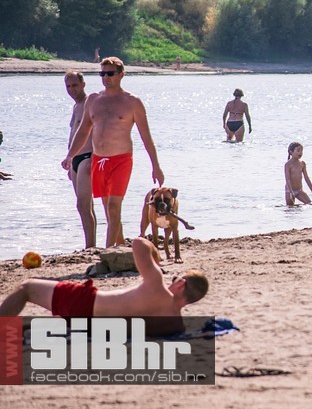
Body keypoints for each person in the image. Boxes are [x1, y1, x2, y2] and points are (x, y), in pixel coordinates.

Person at [0, 237, 208, 336]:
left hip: (85, 304)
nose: (171, 281)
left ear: (180, 284)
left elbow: (138, 243)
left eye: (175, 279)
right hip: (93, 327)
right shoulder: (177, 325)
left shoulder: (157, 285)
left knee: (27, 287)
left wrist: (156, 255)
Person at [61, 57, 165, 248]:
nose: (106, 78)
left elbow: (146, 137)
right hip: (100, 160)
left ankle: (108, 253)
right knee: (109, 211)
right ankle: (120, 245)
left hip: (121, 159)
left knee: (114, 206)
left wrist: (156, 166)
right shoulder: (93, 100)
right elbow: (83, 131)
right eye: (102, 74)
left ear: (121, 74)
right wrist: (70, 156)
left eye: (110, 74)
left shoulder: (132, 102)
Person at [64, 71, 96, 249]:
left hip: (87, 156)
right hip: (74, 159)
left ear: (83, 84)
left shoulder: (90, 102)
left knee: (83, 204)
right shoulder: (76, 106)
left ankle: (90, 246)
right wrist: (69, 160)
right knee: (85, 206)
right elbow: (73, 134)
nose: (71, 90)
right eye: (68, 86)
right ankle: (90, 244)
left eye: (75, 85)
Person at [284, 142, 312, 206]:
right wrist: (291, 192)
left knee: (310, 204)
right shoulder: (288, 164)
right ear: (291, 152)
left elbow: (307, 178)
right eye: (298, 150)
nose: (300, 153)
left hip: (299, 190)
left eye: (302, 151)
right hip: (289, 190)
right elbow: (287, 179)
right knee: (290, 208)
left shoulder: (302, 164)